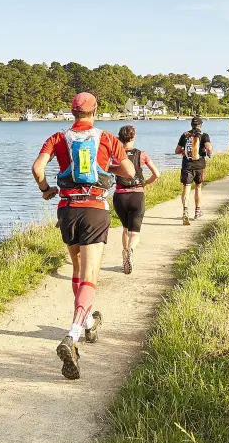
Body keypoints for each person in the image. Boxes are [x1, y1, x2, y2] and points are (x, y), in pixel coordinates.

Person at [32, 93, 135, 380]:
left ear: (73, 112)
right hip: (94, 209)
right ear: (95, 110)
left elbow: (38, 168)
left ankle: (88, 321)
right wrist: (107, 168)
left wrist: (45, 189)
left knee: (77, 270)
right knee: (91, 275)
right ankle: (73, 335)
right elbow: (128, 170)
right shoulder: (107, 138)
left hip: (66, 210)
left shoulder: (56, 137)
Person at [112, 125, 160, 274]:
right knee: (135, 232)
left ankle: (124, 256)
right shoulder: (142, 154)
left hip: (119, 196)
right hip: (137, 195)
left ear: (119, 138)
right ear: (133, 137)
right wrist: (146, 182)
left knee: (125, 229)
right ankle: (130, 250)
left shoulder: (115, 155)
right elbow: (156, 173)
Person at [175, 116, 213, 225]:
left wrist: (184, 151)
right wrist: (209, 153)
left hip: (187, 165)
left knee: (186, 188)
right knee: (198, 187)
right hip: (199, 165)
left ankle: (185, 211)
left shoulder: (185, 135)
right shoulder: (204, 135)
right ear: (200, 125)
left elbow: (177, 150)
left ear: (191, 125)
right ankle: (197, 212)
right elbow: (209, 148)